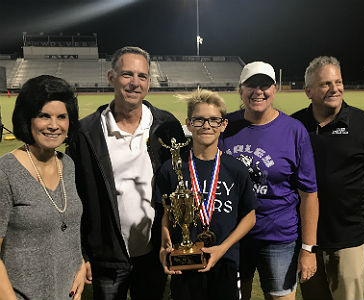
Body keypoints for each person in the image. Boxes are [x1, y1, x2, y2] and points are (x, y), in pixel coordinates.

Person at [66, 46, 186, 300]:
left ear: (149, 83)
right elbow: (75, 198)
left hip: (155, 254)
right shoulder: (86, 133)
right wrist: (82, 254)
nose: (134, 83)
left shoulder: (166, 126)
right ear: (111, 77)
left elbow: (178, 186)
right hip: (107, 258)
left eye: (142, 76)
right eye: (127, 75)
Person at [292, 56, 364, 300]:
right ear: (308, 91)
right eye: (325, 84)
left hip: (349, 239)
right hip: (306, 240)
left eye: (338, 82)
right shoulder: (295, 125)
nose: (335, 88)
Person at [219, 61, 319, 300]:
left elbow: (309, 194)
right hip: (233, 237)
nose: (258, 91)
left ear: (275, 89)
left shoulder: (294, 130)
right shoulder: (225, 126)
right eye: (251, 85)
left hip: (278, 237)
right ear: (240, 90)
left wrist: (308, 248)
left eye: (265, 85)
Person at [157, 89, 257, 300]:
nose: (206, 126)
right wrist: (165, 244)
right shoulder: (172, 168)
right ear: (189, 124)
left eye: (213, 120)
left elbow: (250, 216)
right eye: (199, 120)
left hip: (225, 262)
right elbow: (166, 213)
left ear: (223, 125)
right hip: (184, 263)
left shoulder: (235, 169)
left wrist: (222, 248)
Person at [0, 75, 86, 300]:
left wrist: (81, 266)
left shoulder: (67, 164)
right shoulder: (5, 171)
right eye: (44, 116)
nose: (53, 125)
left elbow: (67, 228)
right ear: (27, 119)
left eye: (61, 117)